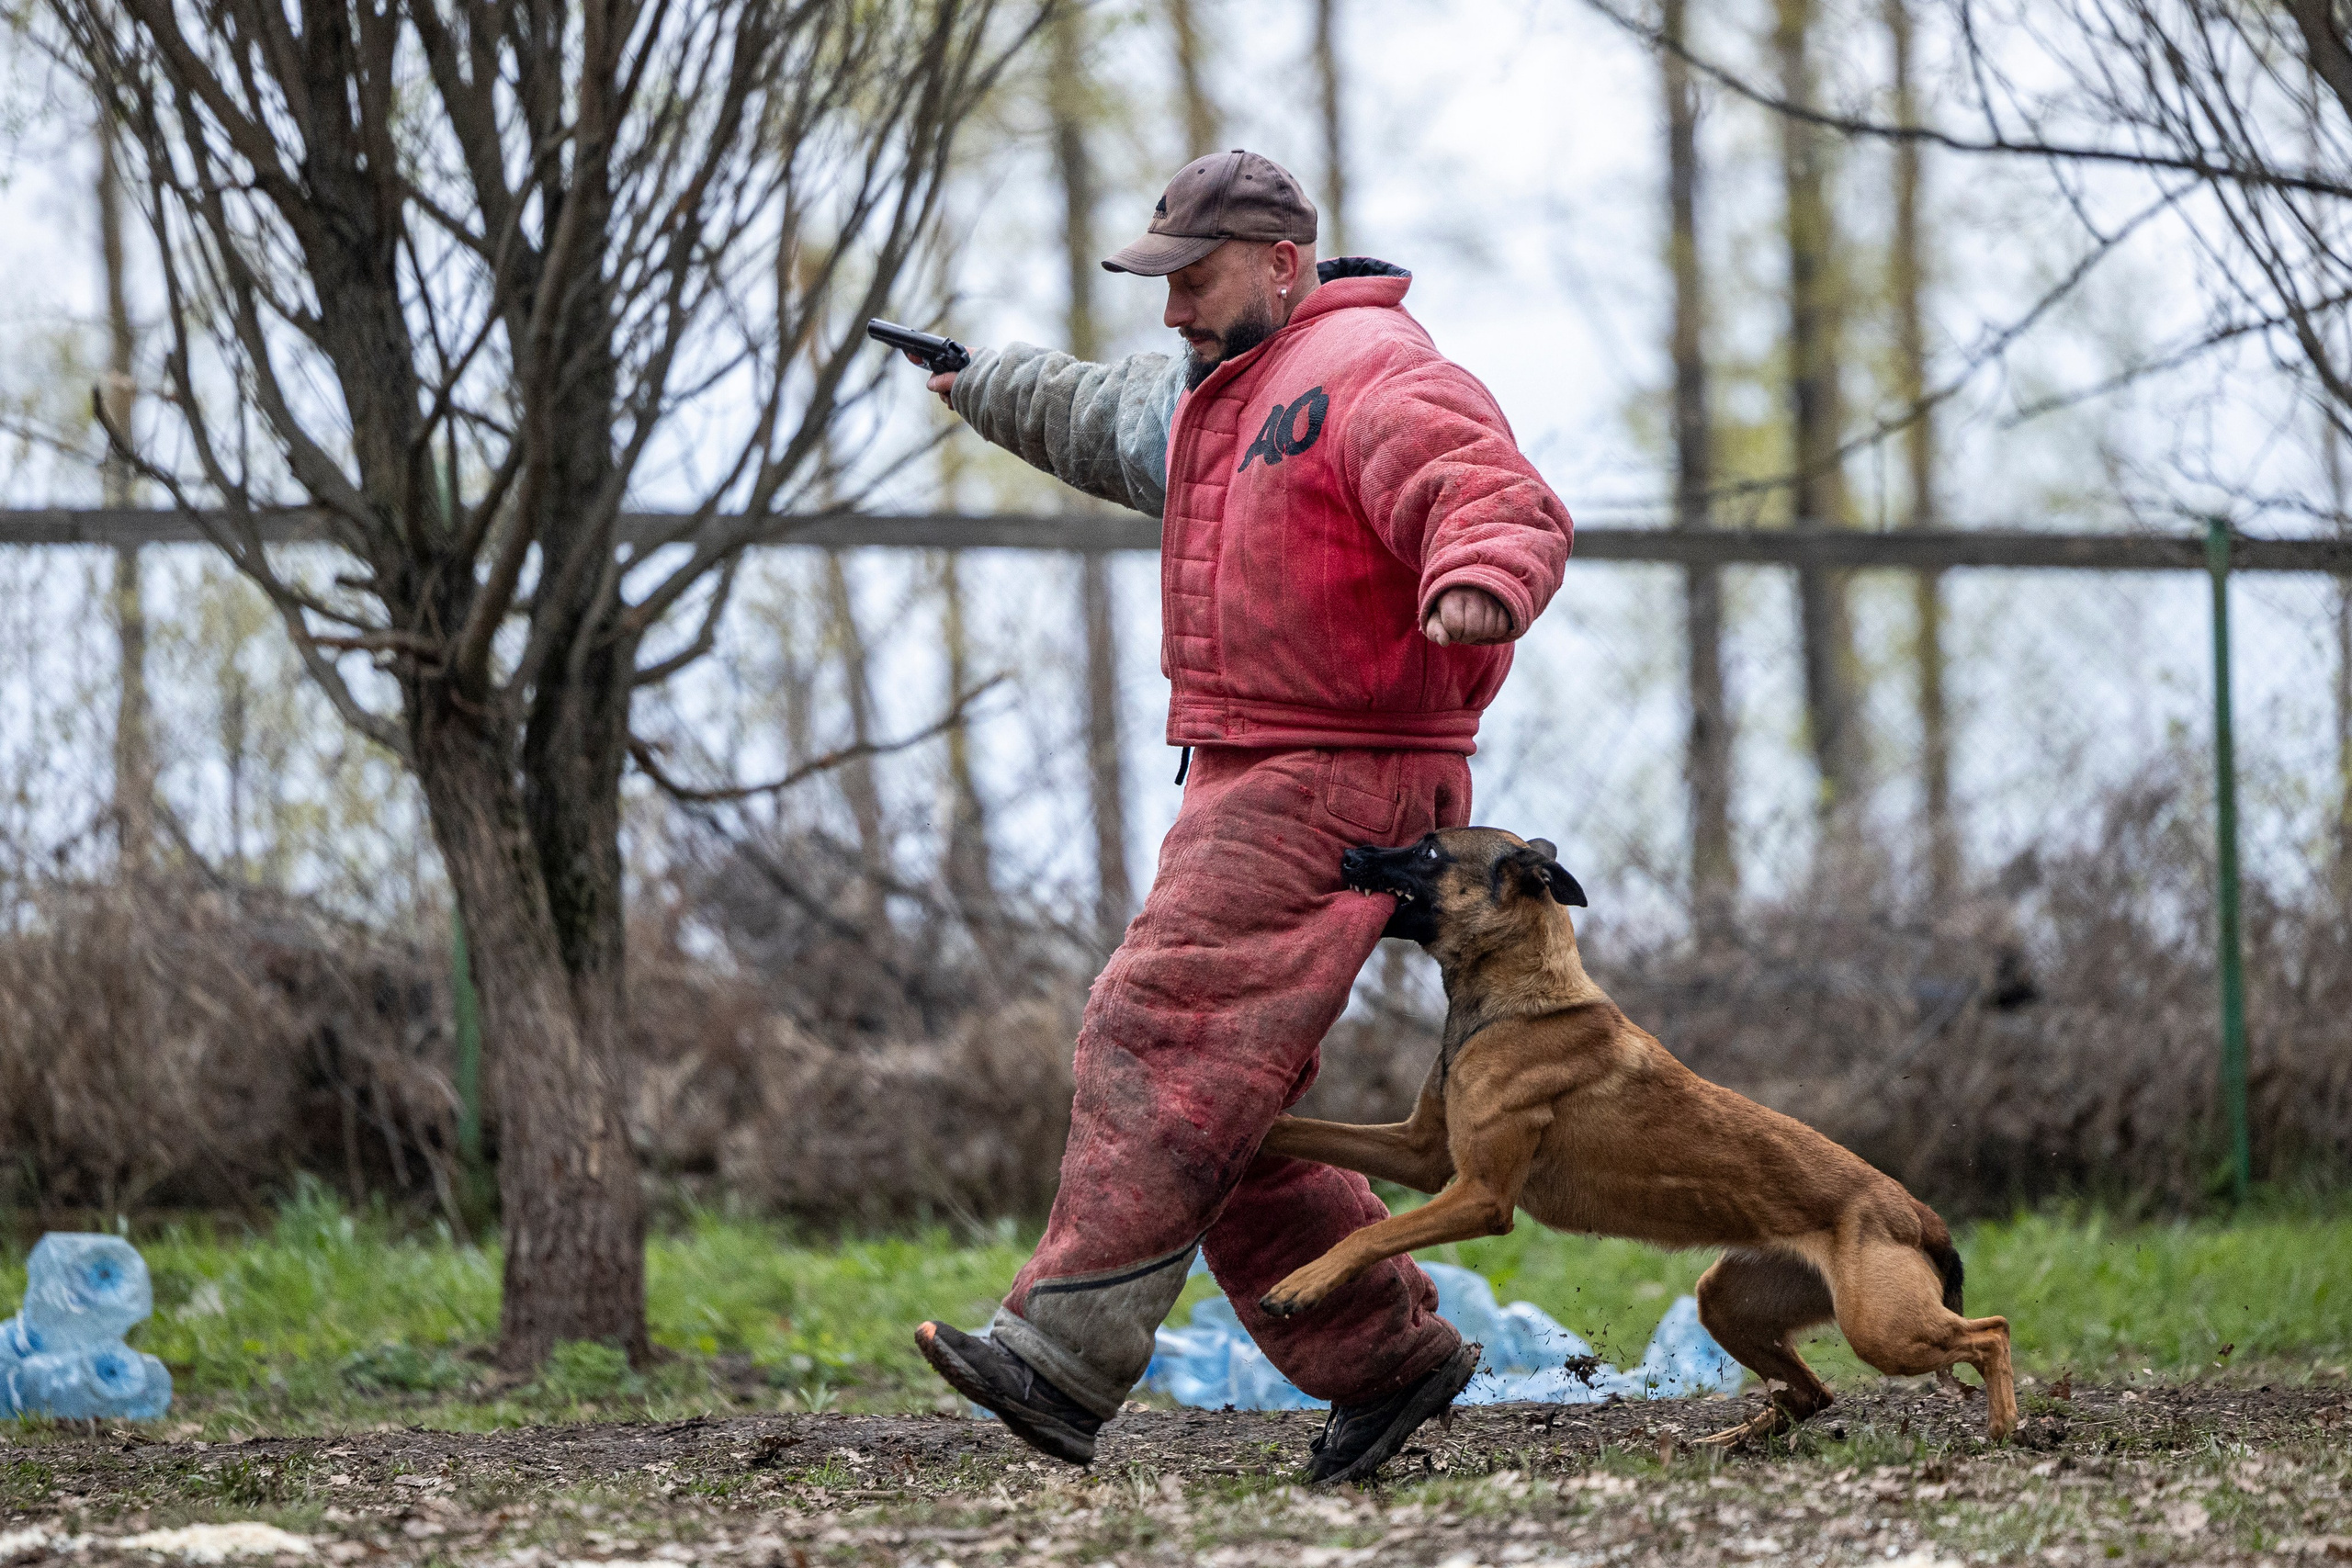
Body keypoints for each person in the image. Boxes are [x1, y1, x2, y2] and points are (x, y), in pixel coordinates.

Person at [912, 149, 1572, 1486]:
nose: (1172, 312)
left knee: (1154, 1038)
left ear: (1283, 263)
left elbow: (1487, 482)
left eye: (1192, 282)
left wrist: (1482, 579)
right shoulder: (1225, 392)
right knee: (1236, 1106)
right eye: (1161, 287)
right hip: (1255, 766)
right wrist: (978, 381)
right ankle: (1386, 1359)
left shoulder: (1373, 369)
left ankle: (1060, 1362)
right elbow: (1100, 418)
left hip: (1329, 769)